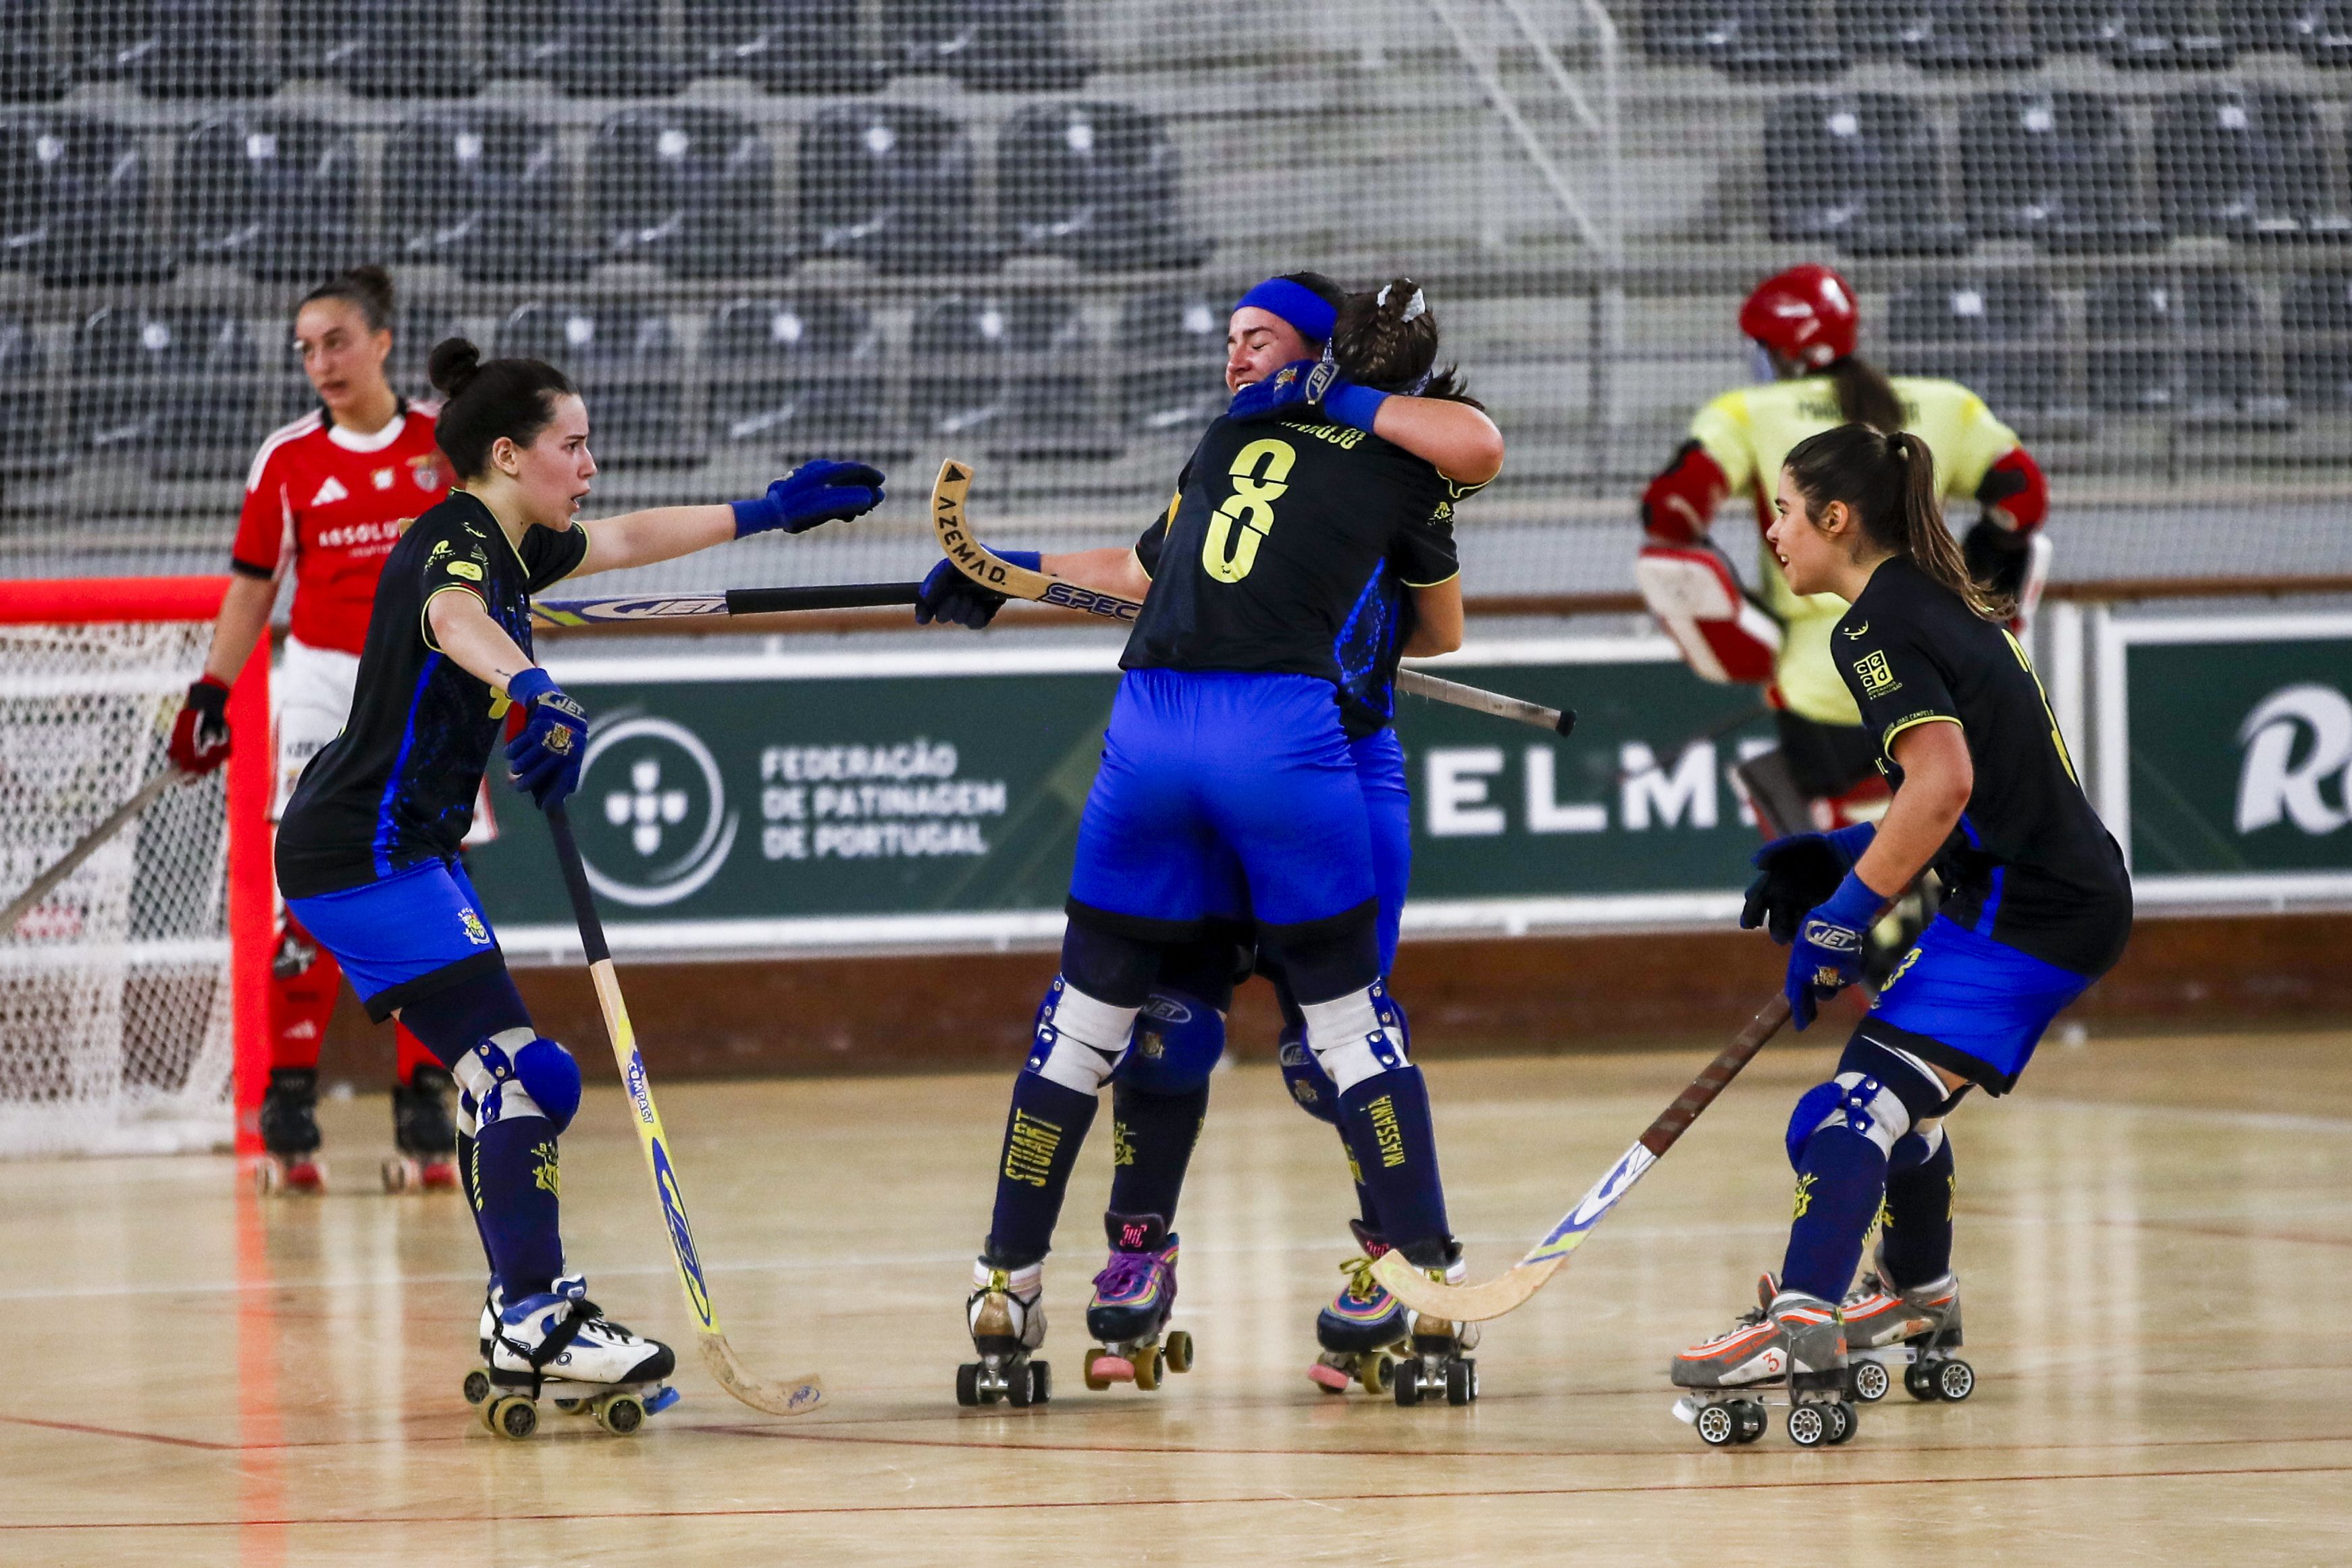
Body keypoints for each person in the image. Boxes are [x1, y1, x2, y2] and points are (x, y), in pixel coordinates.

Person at [271, 336, 885, 1421]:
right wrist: (536, 685)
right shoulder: (455, 543)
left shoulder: (514, 541)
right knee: (524, 1077)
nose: (589, 465)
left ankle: (524, 1311)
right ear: (508, 454)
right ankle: (534, 1316)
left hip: (399, 846)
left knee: (509, 1078)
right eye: (573, 444)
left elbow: (631, 537)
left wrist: (768, 511)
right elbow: (455, 622)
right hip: (361, 852)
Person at [926, 277, 1500, 1408]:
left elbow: (1457, 487)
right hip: (1287, 749)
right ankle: (1423, 1274)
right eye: (1231, 341)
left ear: (1322, 353)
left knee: (1090, 1027)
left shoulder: (1308, 437)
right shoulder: (1258, 437)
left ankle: (1007, 1278)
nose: (1239, 359)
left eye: (1261, 340)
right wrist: (1010, 571)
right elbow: (1146, 570)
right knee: (1313, 1033)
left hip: (1172, 729)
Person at [1667, 424, 2131, 1447]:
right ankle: (1916, 1294)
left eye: (1783, 509)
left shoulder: (1874, 628)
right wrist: (1835, 849)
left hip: (2031, 913)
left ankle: (1801, 1317)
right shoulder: (1934, 602)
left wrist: (1842, 919)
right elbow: (1978, 791)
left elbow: (1945, 783)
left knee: (1848, 1113)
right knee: (1864, 1111)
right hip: (2025, 896)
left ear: (1836, 519)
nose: (1770, 530)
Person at [1636, 264, 2052, 980]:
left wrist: (1748, 614)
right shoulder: (1944, 404)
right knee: (1937, 782)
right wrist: (1977, 590)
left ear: (1782, 348)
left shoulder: (1749, 413)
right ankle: (1937, 917)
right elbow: (2022, 501)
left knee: (1817, 802)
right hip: (1942, 658)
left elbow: (1672, 510)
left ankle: (1876, 942)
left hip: (1823, 667)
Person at [166, 265, 465, 1194]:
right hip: (326, 687)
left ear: (381, 341)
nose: (320, 362)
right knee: (311, 886)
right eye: (305, 348)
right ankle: (288, 1103)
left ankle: (427, 1107)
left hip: (429, 686)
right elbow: (255, 582)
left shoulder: (441, 445)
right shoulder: (288, 460)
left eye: (335, 341)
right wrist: (213, 689)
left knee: (430, 880)